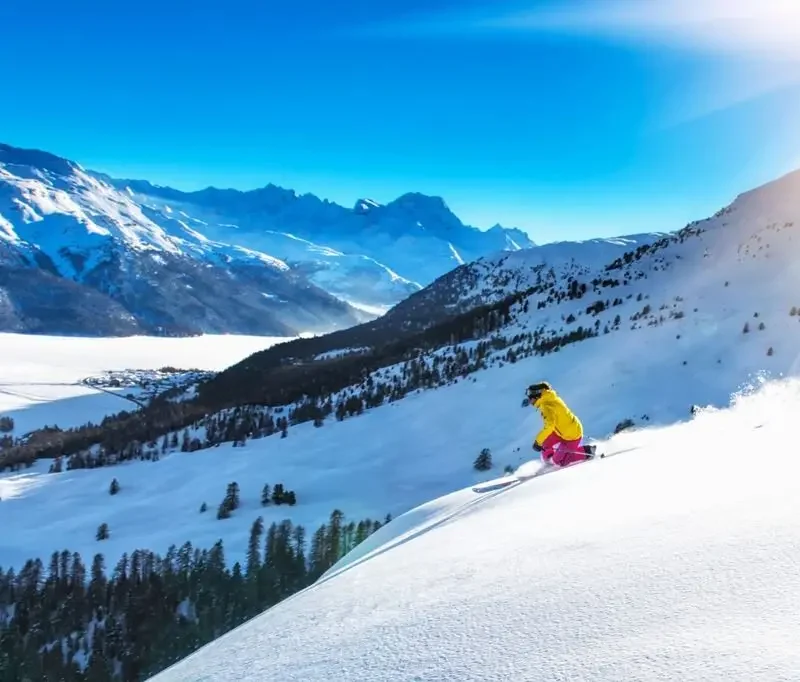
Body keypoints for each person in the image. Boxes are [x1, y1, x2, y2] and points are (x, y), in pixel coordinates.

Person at [526, 382, 592, 467]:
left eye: (530, 398)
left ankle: (587, 451)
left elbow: (549, 426)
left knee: (560, 461)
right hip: (561, 431)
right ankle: (550, 461)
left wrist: (537, 442)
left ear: (536, 396)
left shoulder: (546, 406)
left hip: (572, 436)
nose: (529, 401)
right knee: (545, 445)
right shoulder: (549, 398)